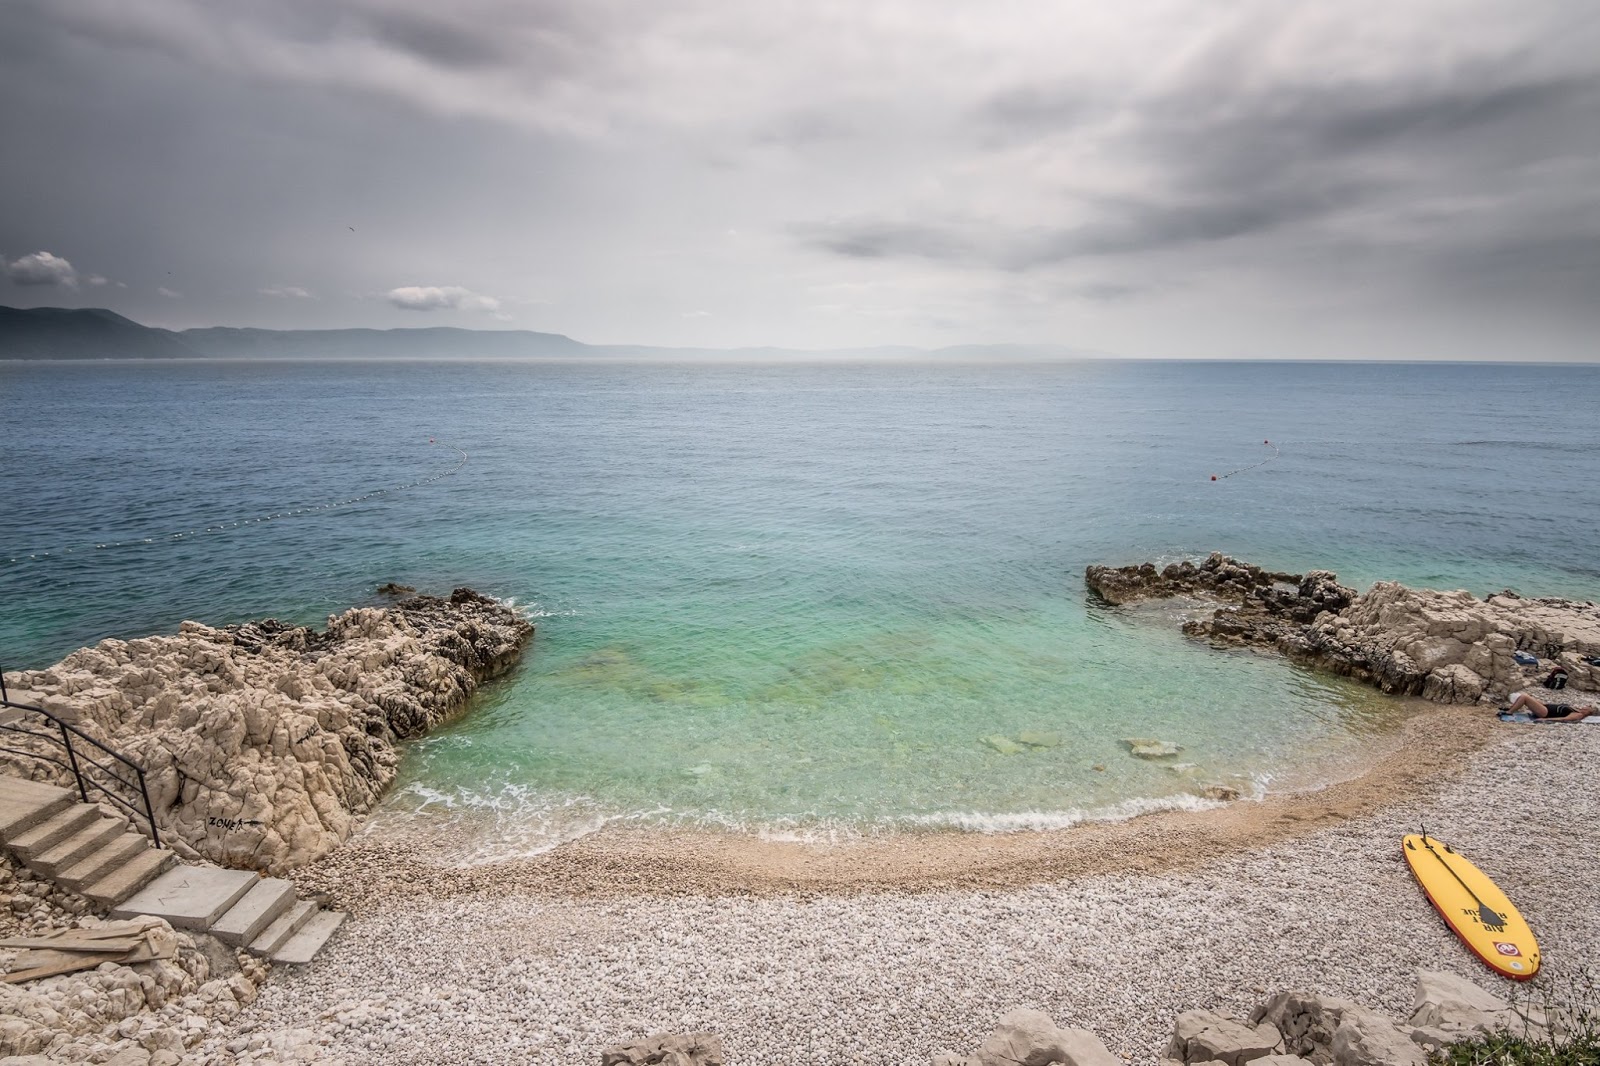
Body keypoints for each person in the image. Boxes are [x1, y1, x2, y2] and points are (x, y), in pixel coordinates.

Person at [1501, 692, 1597, 721]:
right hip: (1545, 707)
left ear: (1588, 712)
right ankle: (1512, 708)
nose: (1584, 707)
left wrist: (1545, 719)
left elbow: (1564, 719)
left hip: (1545, 713)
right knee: (1526, 695)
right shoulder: (1577, 709)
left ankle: (1509, 712)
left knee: (1524, 697)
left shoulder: (1578, 715)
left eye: (1587, 708)